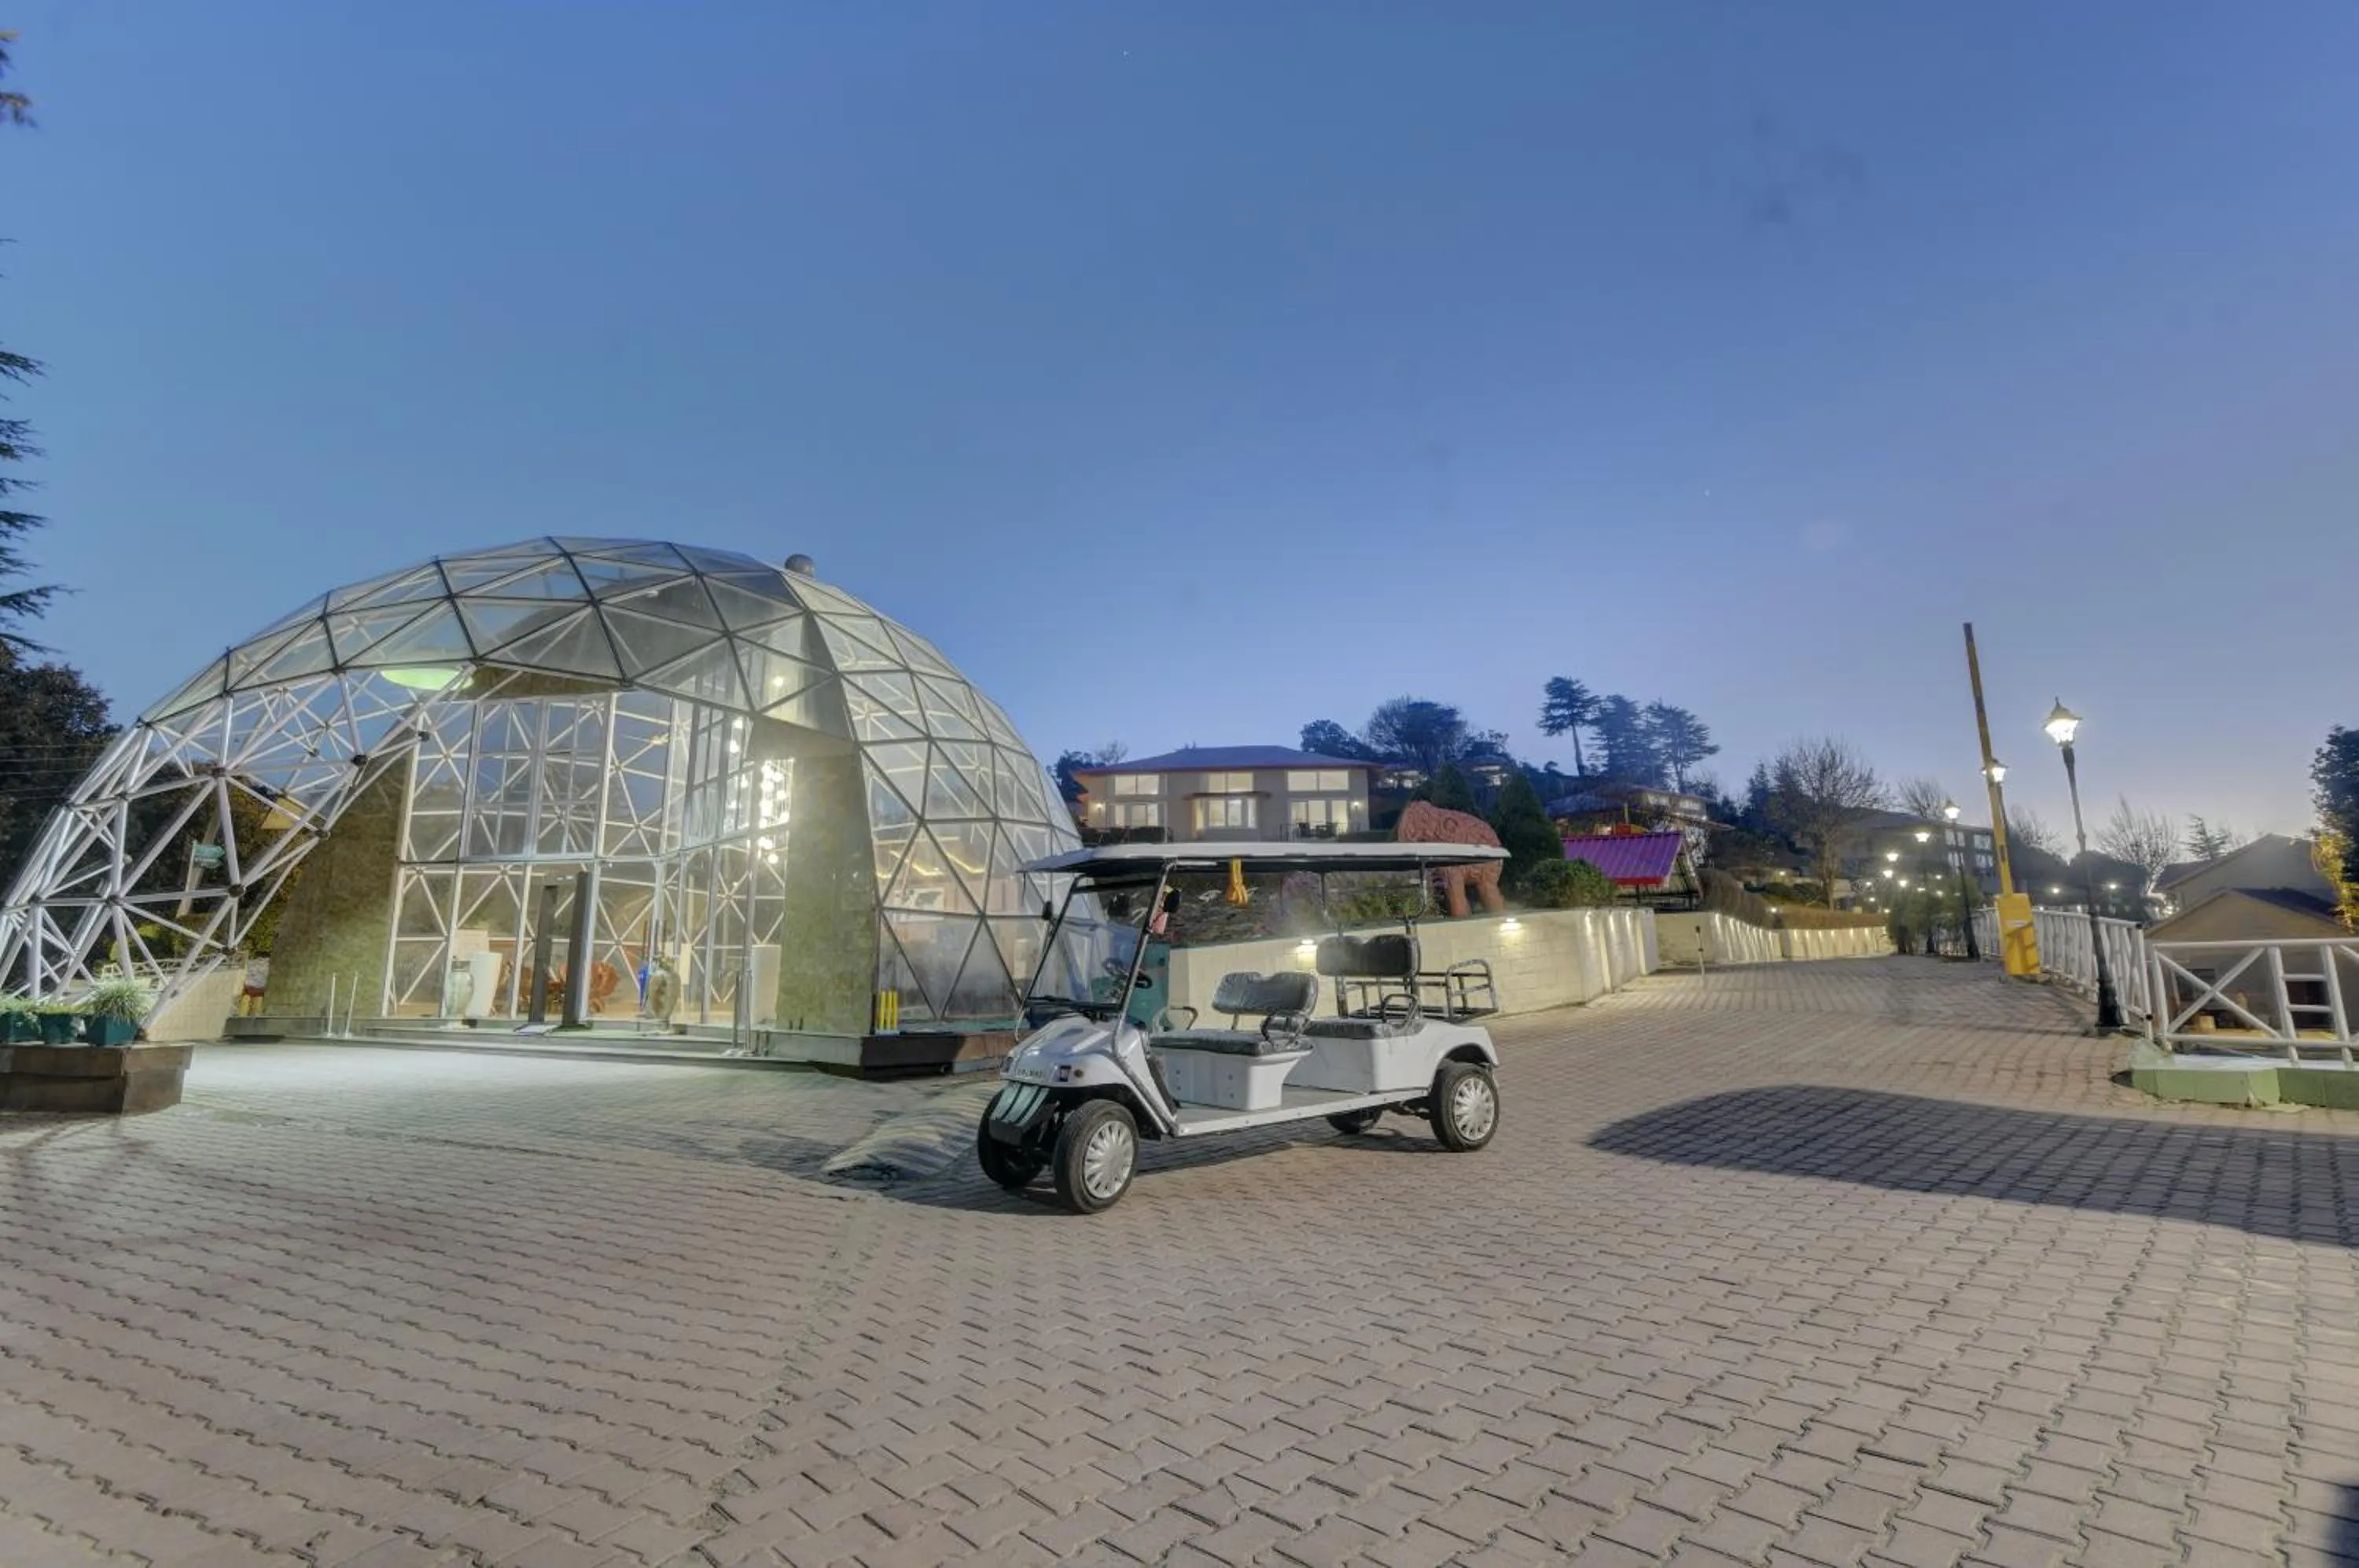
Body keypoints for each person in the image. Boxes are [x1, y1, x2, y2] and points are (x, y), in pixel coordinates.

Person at [240, 951, 270, 1017]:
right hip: (260, 991)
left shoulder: (251, 963)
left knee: (246, 1001)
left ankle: (242, 1016)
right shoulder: (269, 965)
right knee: (257, 1004)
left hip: (249, 989)